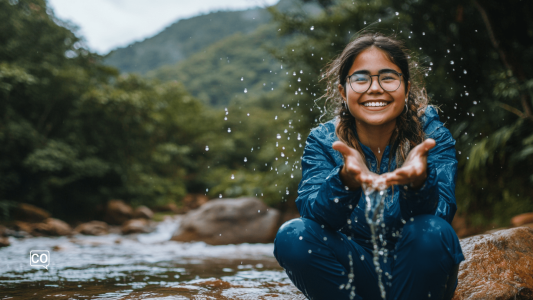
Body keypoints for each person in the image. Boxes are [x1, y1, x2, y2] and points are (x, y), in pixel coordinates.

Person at [273, 33, 464, 300]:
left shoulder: (432, 137)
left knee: (432, 231)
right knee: (293, 235)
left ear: (407, 88)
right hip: (356, 270)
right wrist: (345, 181)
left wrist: (418, 184)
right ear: (343, 91)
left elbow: (441, 216)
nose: (375, 88)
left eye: (388, 77)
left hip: (420, 269)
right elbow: (313, 216)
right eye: (361, 79)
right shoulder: (324, 140)